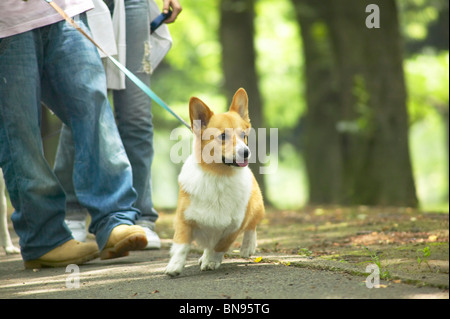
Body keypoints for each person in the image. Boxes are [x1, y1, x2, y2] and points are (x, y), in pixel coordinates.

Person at [0, 0, 148, 268]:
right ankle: (45, 238)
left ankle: (114, 219)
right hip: (6, 24)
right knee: (19, 131)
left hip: (67, 9)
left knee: (94, 107)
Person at [58, 0, 182, 249]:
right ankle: (71, 213)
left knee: (137, 118)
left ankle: (141, 217)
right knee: (82, 111)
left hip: (134, 5)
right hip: (81, 4)